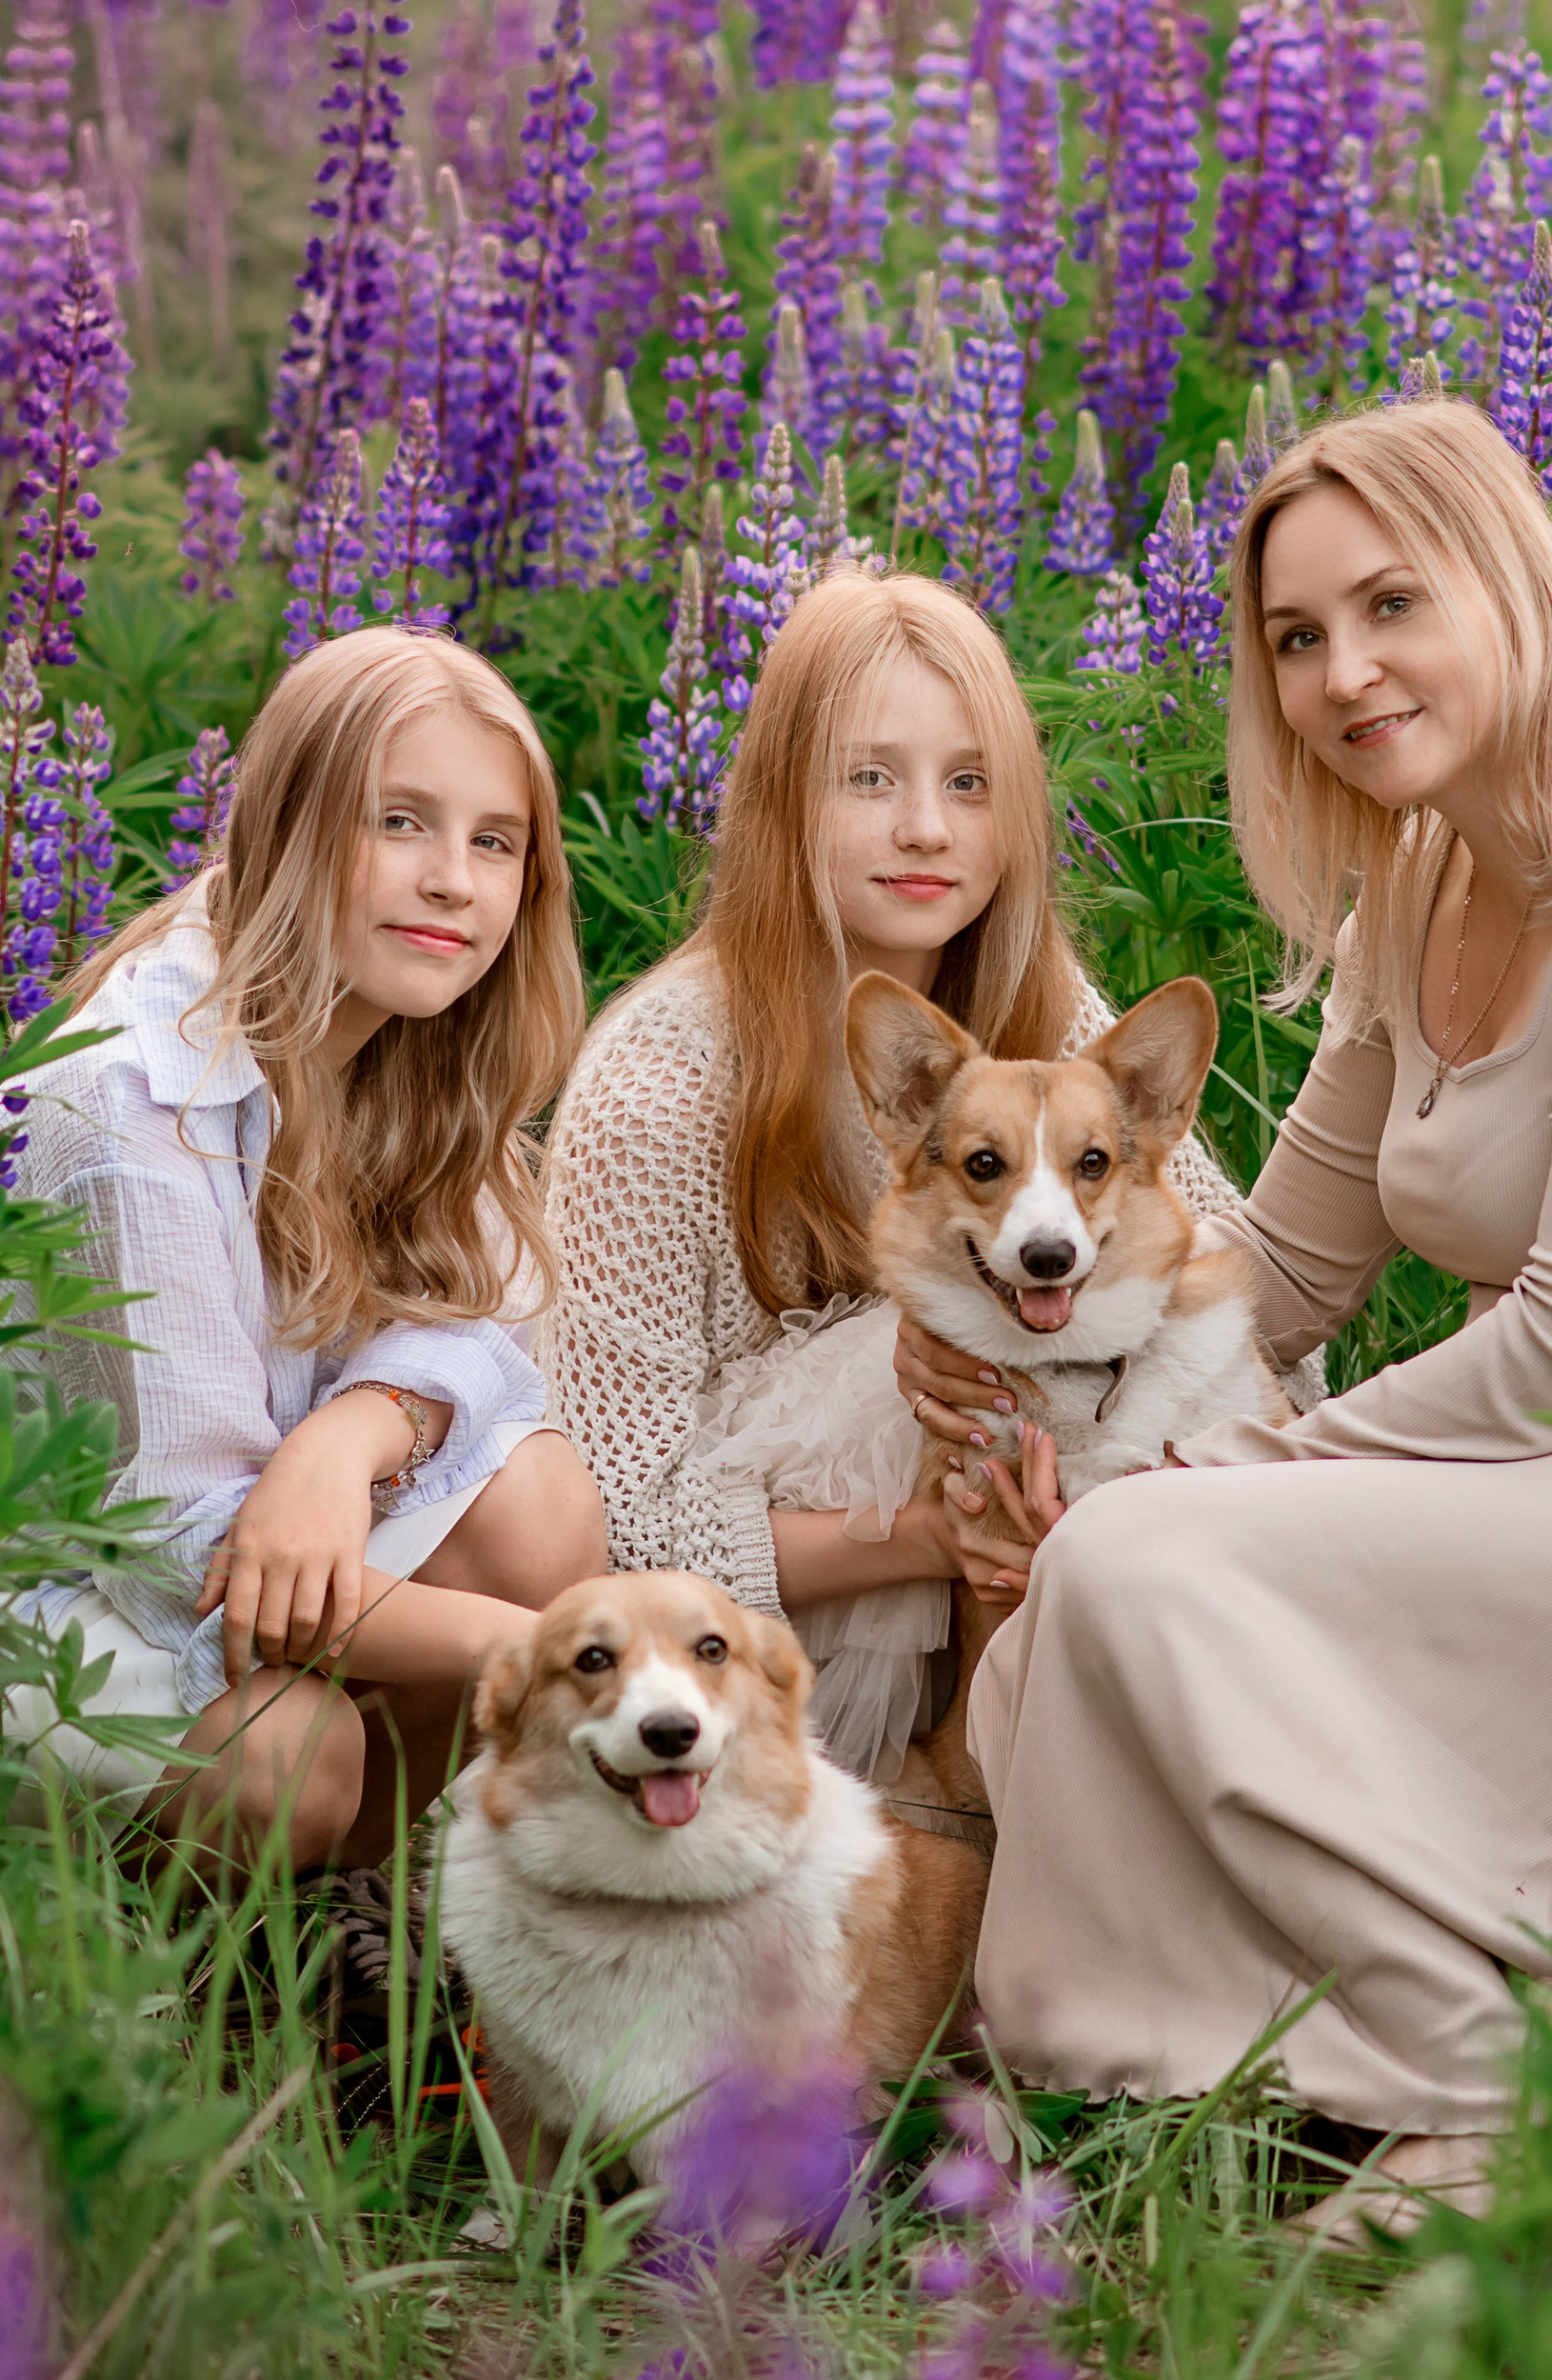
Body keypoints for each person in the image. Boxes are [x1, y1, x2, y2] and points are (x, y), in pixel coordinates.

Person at [900, 401, 1552, 2232]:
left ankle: (1503, 2080)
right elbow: (1286, 1269)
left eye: (1392, 605)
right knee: (1094, 1580)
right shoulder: (1426, 876)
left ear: (1507, 584)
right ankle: (1320, 2054)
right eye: (1298, 637)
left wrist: (1229, 1472)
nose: (1344, 675)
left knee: (1147, 1563)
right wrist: (1041, 1382)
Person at [538, 566, 1309, 1784]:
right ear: (783, 798)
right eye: (869, 778)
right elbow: (610, 1521)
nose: (925, 829)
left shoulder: (1037, 1003)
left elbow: (1219, 1272)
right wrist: (928, 1536)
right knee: (892, 1365)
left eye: (969, 782)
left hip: (1062, 1545)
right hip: (771, 1636)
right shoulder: (658, 1087)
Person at [4, 626, 607, 1866]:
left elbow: (489, 1345)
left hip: (232, 1552)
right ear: (285, 825)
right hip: (22, 1605)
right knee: (293, 1750)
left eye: (495, 842)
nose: (453, 881)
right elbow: (187, 1556)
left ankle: (321, 1913)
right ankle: (131, 1945)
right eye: (401, 822)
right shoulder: (129, 1102)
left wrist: (354, 1435)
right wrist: (550, 1652)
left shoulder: (419, 1049)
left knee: (538, 1509)